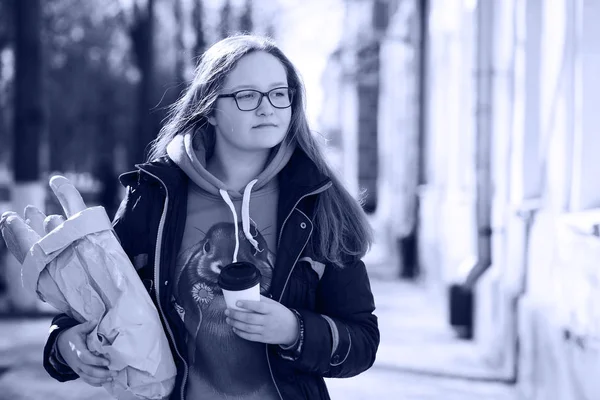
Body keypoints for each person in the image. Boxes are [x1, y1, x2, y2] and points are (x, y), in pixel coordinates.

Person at [43, 34, 379, 400]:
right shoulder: (155, 196)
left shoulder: (319, 204)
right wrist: (64, 345)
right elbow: (100, 291)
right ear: (210, 109)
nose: (268, 108)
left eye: (279, 93)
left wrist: (295, 331)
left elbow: (362, 340)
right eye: (247, 95)